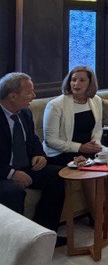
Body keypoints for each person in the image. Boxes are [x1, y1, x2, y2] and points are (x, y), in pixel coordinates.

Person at [42, 65, 108, 224]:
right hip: (62, 152)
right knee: (90, 167)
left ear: (90, 83)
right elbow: (51, 141)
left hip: (89, 147)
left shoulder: (96, 100)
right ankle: (96, 215)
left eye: (82, 80)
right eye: (73, 80)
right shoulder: (55, 105)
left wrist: (95, 143)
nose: (76, 84)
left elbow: (97, 129)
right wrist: (80, 147)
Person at [0, 73, 67, 248]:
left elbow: (33, 140)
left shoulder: (25, 113)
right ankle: (15, 246)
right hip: (3, 172)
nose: (34, 96)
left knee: (58, 176)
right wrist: (11, 173)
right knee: (13, 191)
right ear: (12, 96)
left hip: (26, 166)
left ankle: (44, 237)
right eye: (29, 92)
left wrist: (39, 155)